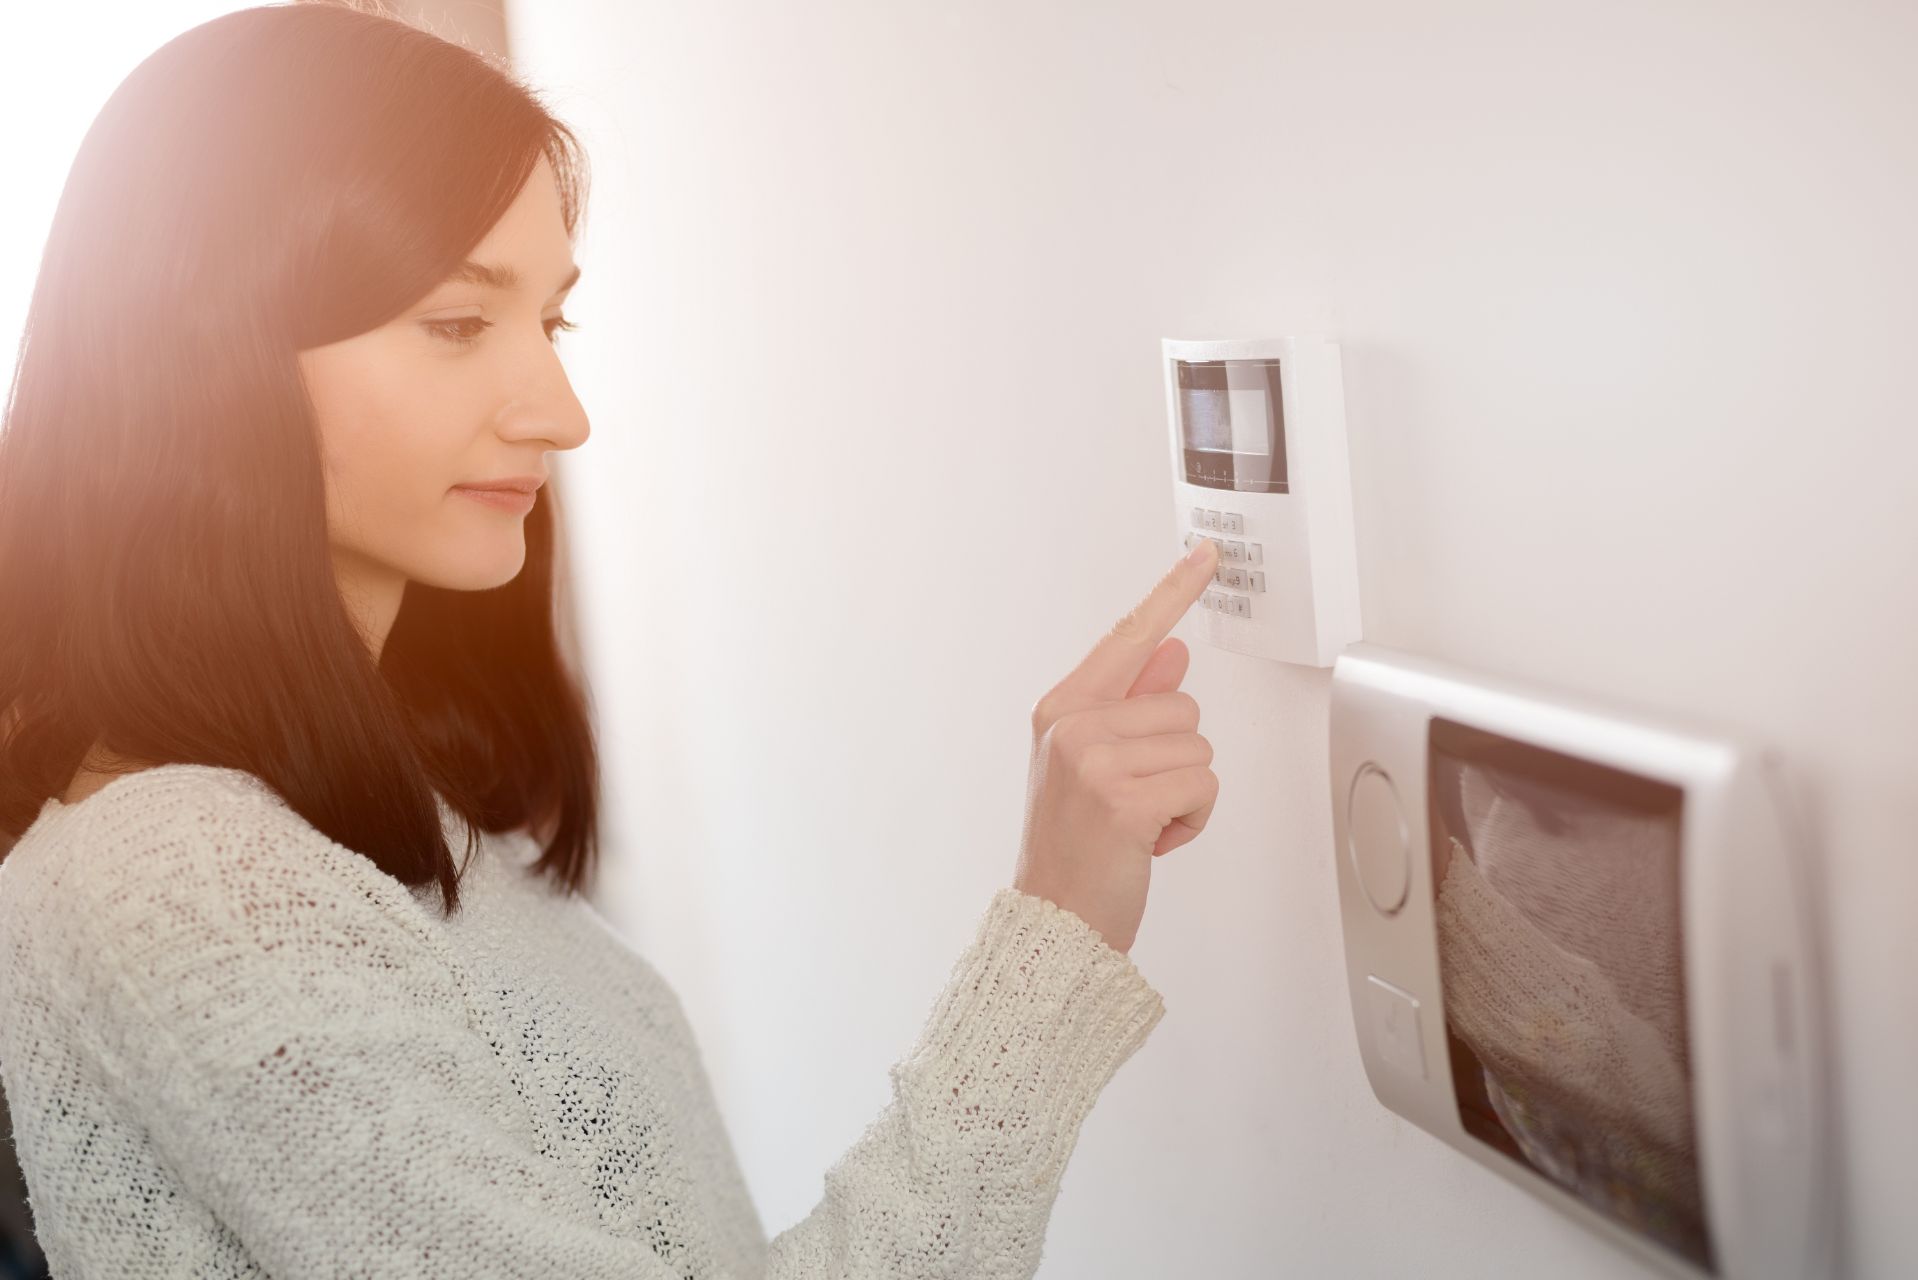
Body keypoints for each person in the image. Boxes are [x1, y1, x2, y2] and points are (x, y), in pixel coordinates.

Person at [0, 3, 1222, 1276]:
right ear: (206, 350)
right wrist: (1055, 929)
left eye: (552, 324)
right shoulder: (184, 878)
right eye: (460, 324)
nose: (562, 413)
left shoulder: (339, 796)